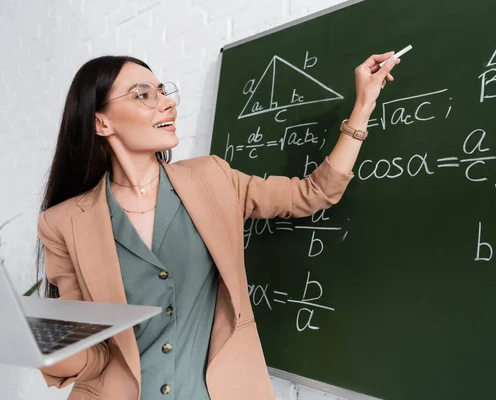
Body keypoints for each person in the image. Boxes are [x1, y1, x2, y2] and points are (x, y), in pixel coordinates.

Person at [35, 51, 400, 400]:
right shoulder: (63, 223)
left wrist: (364, 105)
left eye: (163, 91)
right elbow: (93, 353)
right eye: (143, 95)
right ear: (101, 122)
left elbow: (313, 193)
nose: (167, 103)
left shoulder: (212, 178)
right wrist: (47, 347)